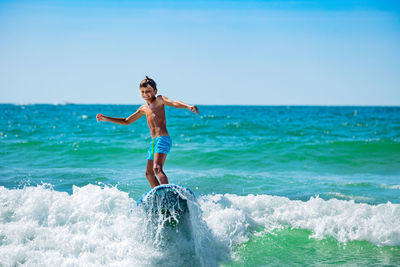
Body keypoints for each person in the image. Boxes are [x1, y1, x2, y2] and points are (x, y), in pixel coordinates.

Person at [96, 76, 199, 188]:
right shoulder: (143, 108)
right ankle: (158, 196)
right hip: (154, 142)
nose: (145, 94)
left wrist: (188, 106)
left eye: (148, 91)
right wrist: (106, 118)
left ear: (155, 91)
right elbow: (126, 121)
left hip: (162, 139)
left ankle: (168, 194)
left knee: (157, 168)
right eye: (143, 92)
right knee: (149, 174)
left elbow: (174, 103)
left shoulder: (159, 100)